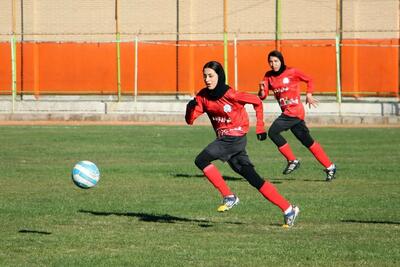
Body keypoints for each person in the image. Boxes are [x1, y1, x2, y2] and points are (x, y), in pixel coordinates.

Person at [185, 60, 299, 227]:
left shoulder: (232, 95)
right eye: (205, 76)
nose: (207, 79)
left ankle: (229, 196)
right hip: (226, 141)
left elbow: (257, 102)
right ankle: (289, 209)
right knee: (254, 179)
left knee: (201, 160)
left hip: (235, 138)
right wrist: (190, 107)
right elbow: (190, 120)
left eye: (211, 76)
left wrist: (260, 127)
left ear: (220, 76)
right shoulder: (203, 96)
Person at [258, 50, 336, 181]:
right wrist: (261, 90)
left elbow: (309, 80)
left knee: (273, 132)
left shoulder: (292, 72)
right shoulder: (268, 76)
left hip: (294, 112)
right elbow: (263, 96)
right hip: (289, 113)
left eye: (276, 61)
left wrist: (309, 94)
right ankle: (330, 167)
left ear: (281, 61)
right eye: (270, 62)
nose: (273, 64)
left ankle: (292, 160)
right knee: (308, 141)